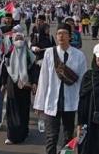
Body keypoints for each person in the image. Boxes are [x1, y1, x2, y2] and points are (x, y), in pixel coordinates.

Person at [34, 23, 87, 154]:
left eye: (64, 33)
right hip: (52, 102)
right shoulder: (49, 53)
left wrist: (83, 105)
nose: (61, 36)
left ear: (70, 37)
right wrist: (39, 104)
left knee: (69, 138)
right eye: (59, 33)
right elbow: (43, 79)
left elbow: (83, 82)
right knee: (51, 137)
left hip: (71, 102)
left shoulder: (79, 55)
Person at [3, 31, 39, 145]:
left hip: (25, 86)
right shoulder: (8, 53)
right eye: (17, 38)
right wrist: (3, 84)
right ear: (13, 40)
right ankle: (12, 136)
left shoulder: (29, 55)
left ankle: (23, 133)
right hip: (12, 86)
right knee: (12, 110)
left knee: (24, 110)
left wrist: (34, 83)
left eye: (21, 38)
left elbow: (34, 69)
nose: (19, 41)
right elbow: (4, 69)